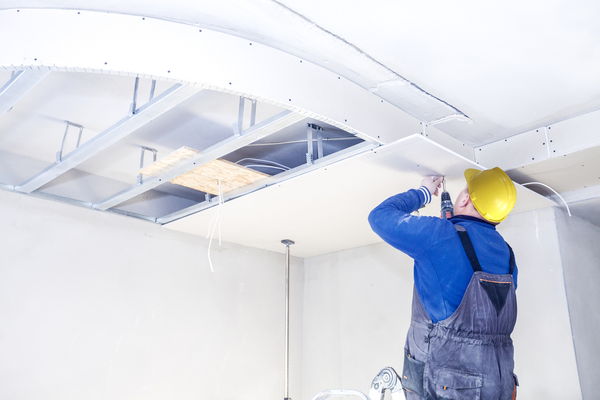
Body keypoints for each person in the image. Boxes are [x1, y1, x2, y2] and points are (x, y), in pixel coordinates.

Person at [368, 167, 519, 400]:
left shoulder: (438, 235)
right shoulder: (506, 252)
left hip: (448, 383)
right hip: (498, 382)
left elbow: (380, 217)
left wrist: (423, 193)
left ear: (466, 198)